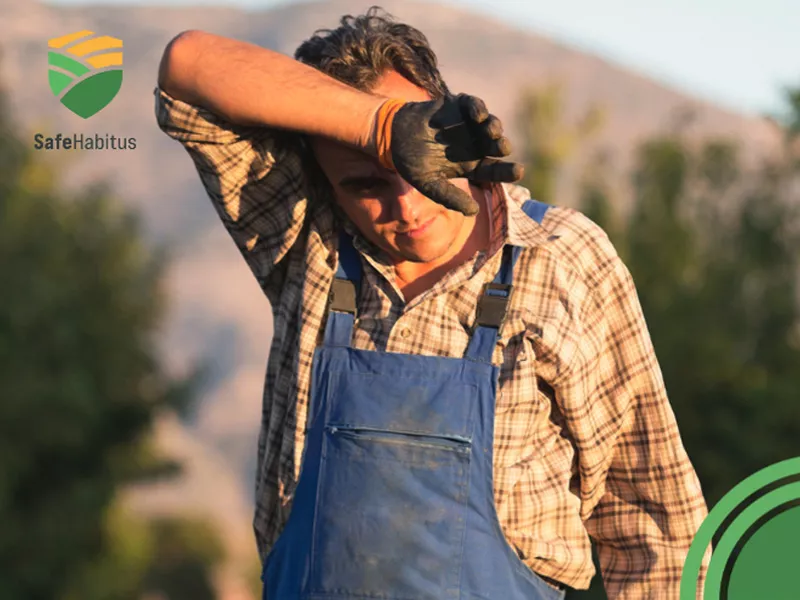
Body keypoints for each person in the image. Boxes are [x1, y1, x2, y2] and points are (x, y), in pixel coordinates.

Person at [154, 6, 710, 599]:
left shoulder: (559, 259)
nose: (407, 205)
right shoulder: (305, 242)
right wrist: (382, 127)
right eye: (367, 183)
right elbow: (187, 70)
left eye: (419, 166)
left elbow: (654, 516)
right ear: (328, 187)